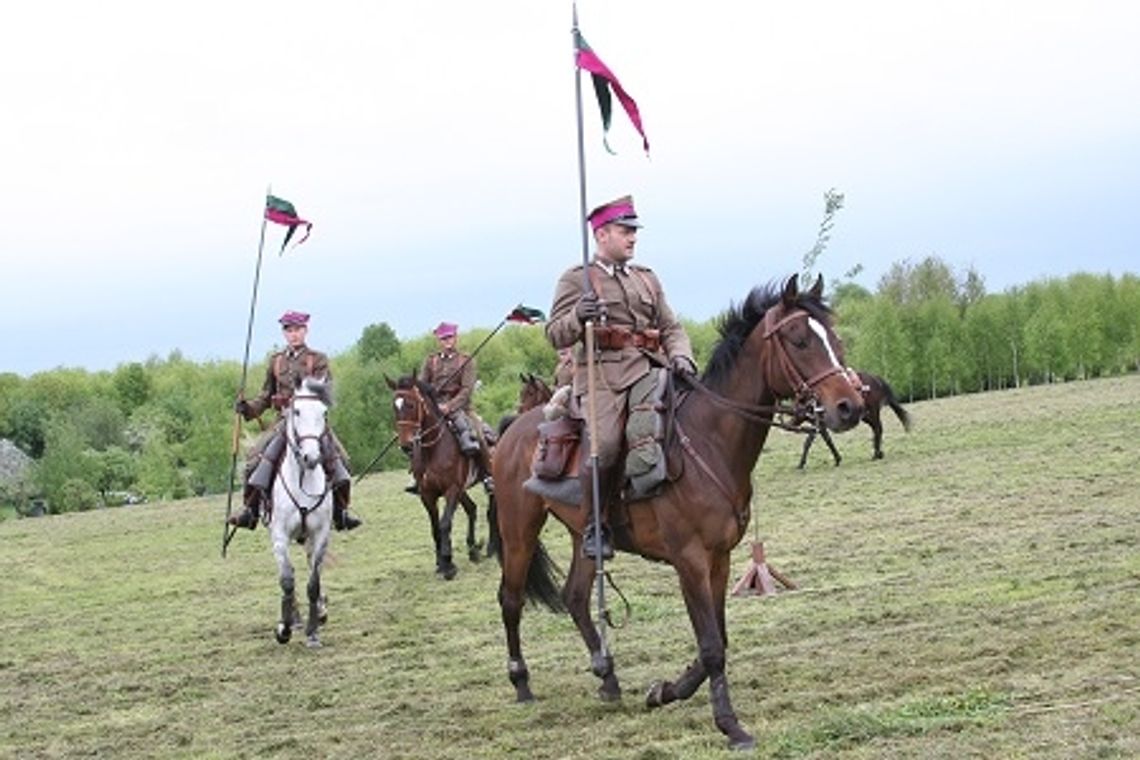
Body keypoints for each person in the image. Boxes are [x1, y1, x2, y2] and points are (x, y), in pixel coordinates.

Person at [545, 195, 696, 560]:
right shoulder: (577, 279)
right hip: (603, 377)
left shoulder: (646, 278)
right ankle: (596, 523)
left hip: (651, 367)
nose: (632, 238)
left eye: (633, 232)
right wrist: (578, 316)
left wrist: (681, 357)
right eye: (625, 231)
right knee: (607, 443)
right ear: (601, 235)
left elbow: (671, 326)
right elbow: (554, 334)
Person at [229, 310, 362, 532]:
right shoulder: (276, 361)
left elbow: (325, 393)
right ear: (284, 333)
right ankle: (249, 511)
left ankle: (342, 513)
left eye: (297, 330)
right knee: (254, 460)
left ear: (305, 330)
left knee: (341, 461)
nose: (293, 335)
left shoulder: (318, 360)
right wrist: (248, 408)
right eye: (289, 330)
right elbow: (265, 395)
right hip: (283, 422)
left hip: (311, 423)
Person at [406, 321, 494, 493]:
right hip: (434, 406)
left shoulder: (466, 360)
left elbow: (467, 389)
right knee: (416, 436)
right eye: (443, 338)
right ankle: (417, 477)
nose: (447, 341)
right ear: (439, 340)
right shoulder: (431, 361)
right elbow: (423, 385)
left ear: (455, 337)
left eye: (450, 337)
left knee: (478, 433)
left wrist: (450, 406)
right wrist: (431, 402)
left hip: (460, 407)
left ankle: (488, 475)